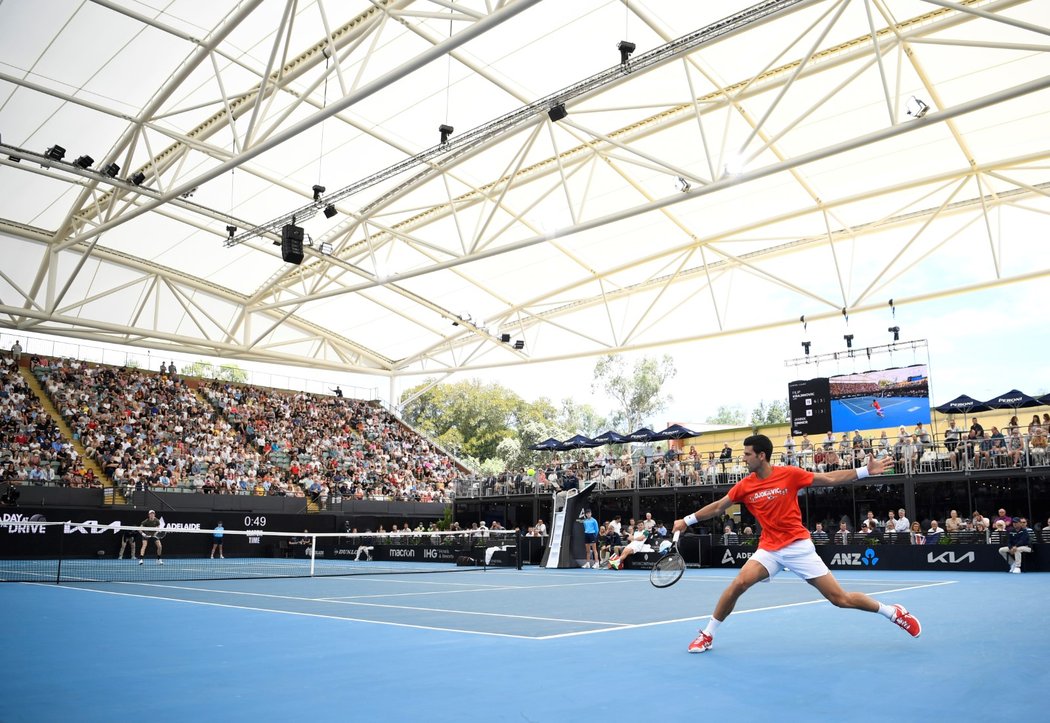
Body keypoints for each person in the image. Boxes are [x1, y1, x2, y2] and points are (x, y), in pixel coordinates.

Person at [673, 434, 919, 654]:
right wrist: (687, 520)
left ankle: (892, 612)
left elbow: (828, 479)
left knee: (839, 599)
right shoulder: (745, 485)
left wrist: (865, 470)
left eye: (747, 454)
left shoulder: (789, 474)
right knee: (739, 583)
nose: (744, 458)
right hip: (769, 549)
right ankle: (707, 634)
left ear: (761, 455)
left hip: (798, 547)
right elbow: (718, 507)